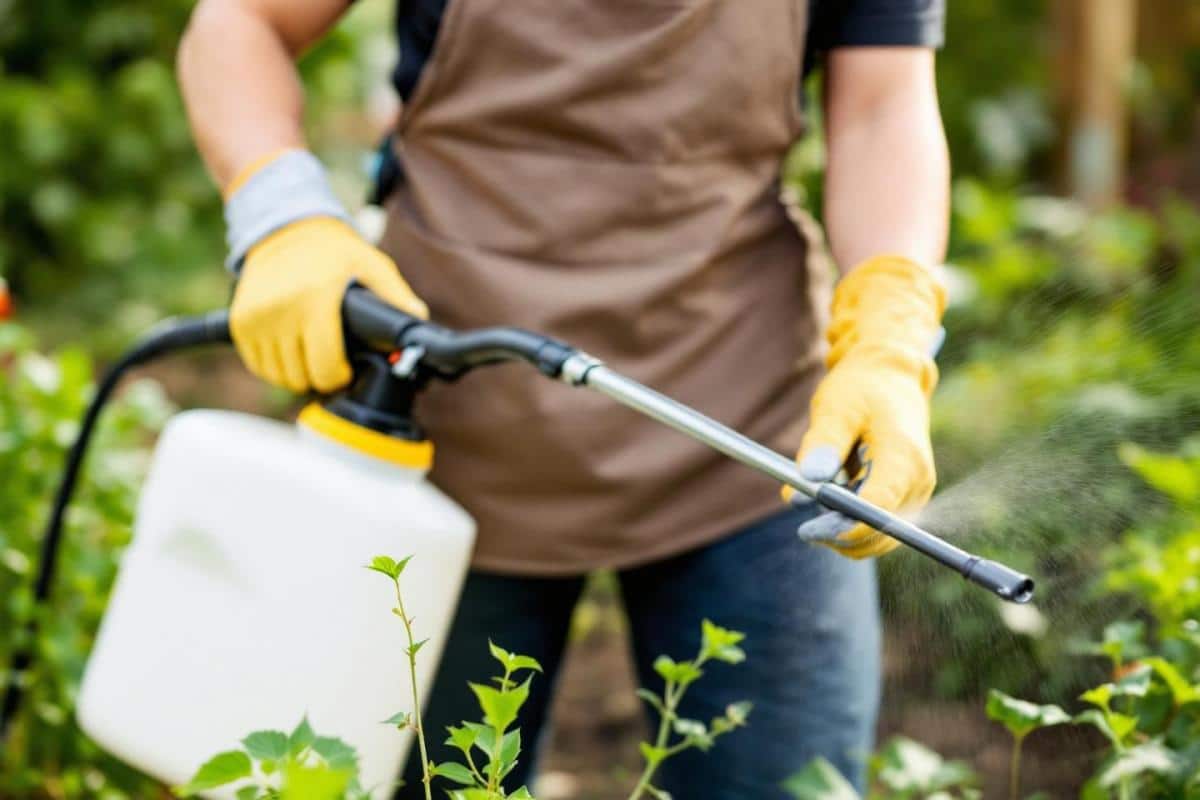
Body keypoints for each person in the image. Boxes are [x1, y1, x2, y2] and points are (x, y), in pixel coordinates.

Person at [177, 0, 948, 795]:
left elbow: (882, 108)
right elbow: (242, 20)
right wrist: (284, 215)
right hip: (443, 431)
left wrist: (890, 335)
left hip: (752, 434)